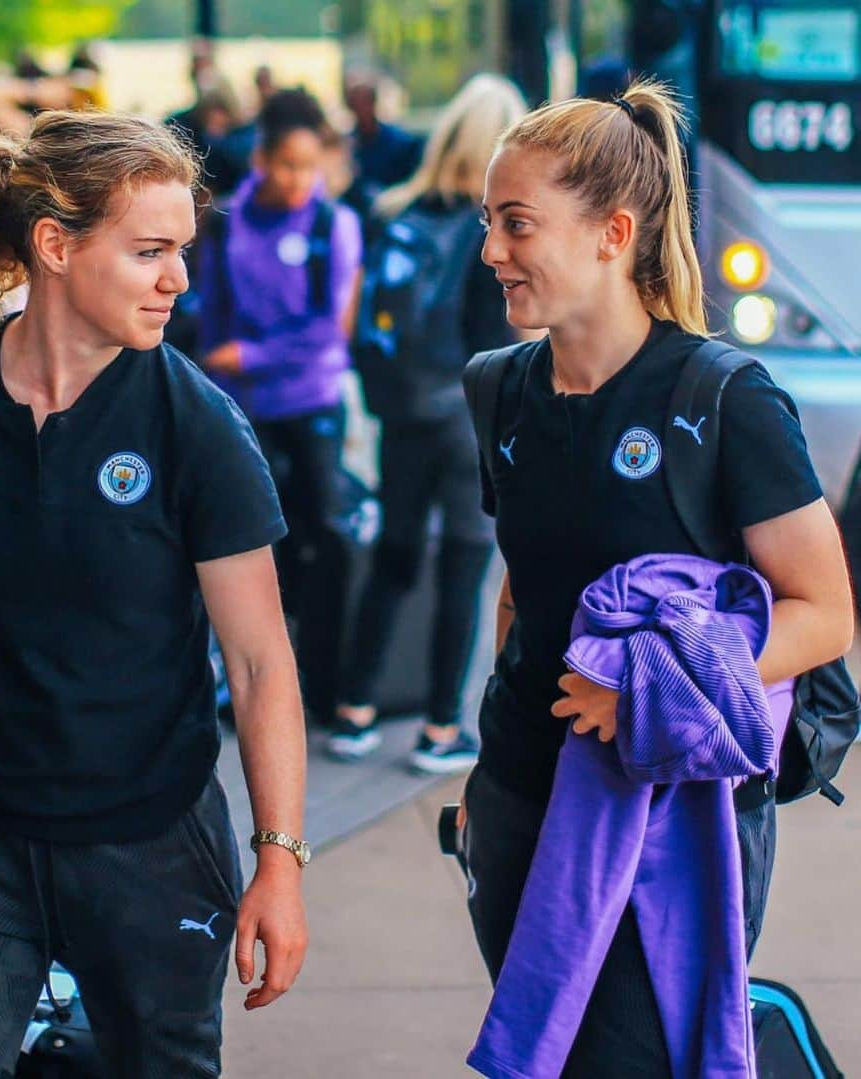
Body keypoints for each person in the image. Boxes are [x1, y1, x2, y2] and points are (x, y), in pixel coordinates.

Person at [0, 111, 309, 1076]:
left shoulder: (198, 425)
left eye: (182, 250)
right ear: (54, 246)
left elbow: (261, 664)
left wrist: (279, 860)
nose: (179, 279)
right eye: (149, 252)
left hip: (149, 836)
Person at [458, 80, 853, 1074]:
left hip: (669, 813)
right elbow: (522, 589)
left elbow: (825, 613)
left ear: (611, 232)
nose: (490, 252)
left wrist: (644, 687)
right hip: (522, 796)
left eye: (515, 225)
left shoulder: (725, 397)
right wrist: (487, 773)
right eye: (487, 223)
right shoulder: (497, 388)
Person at [328, 74, 528, 772]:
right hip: (463, 415)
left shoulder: (395, 210)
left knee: (396, 556)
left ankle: (354, 711)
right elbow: (493, 337)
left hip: (402, 410)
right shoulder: (493, 231)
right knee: (464, 564)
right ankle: (442, 726)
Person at [198, 87, 363, 723]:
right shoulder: (229, 223)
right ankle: (247, 678)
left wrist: (253, 355)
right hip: (246, 405)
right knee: (253, 539)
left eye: (309, 166)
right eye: (287, 165)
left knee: (326, 533)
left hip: (312, 398)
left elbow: (330, 329)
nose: (299, 180)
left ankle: (325, 681)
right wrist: (220, 365)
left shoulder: (333, 225)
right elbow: (212, 311)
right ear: (263, 159)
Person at [343, 69, 424, 190]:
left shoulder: (400, 143)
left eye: (366, 102)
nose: (362, 109)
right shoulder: (347, 146)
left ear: (374, 103)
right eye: (356, 103)